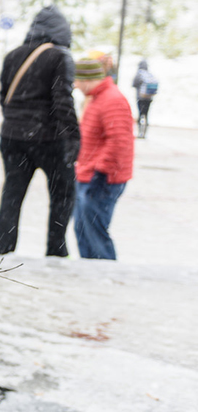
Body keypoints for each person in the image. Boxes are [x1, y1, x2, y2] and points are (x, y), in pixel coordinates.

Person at [0, 6, 80, 257]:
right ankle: (56, 250)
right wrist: (73, 137)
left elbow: (3, 97)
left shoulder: (13, 56)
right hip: (48, 139)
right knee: (62, 195)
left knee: (12, 193)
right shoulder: (59, 56)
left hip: (12, 137)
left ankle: (2, 249)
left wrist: (16, 123)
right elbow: (63, 101)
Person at [73, 54, 135, 259]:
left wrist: (99, 172)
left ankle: (106, 275)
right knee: (84, 231)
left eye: (78, 81)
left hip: (101, 178)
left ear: (88, 79)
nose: (76, 86)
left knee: (95, 235)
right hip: (89, 174)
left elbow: (119, 142)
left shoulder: (111, 100)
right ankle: (91, 275)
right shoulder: (98, 98)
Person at [131, 58, 159, 139]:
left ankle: (140, 132)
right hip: (149, 98)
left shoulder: (139, 74)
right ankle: (145, 133)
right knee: (146, 115)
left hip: (140, 98)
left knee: (140, 115)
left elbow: (134, 84)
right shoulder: (149, 74)